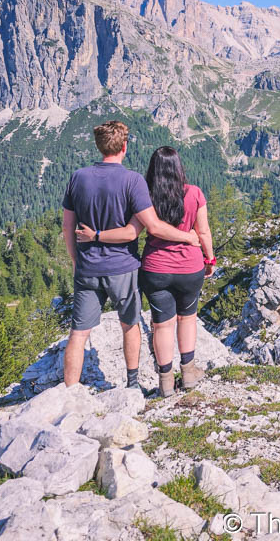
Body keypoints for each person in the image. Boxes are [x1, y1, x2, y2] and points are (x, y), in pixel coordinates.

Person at [62, 121, 200, 391]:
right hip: (123, 267)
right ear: (124, 147)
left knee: (78, 334)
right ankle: (133, 385)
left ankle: (69, 393)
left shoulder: (78, 177)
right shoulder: (132, 180)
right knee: (130, 325)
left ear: (99, 146)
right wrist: (188, 237)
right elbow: (138, 231)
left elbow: (67, 227)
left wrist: (77, 261)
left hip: (87, 269)